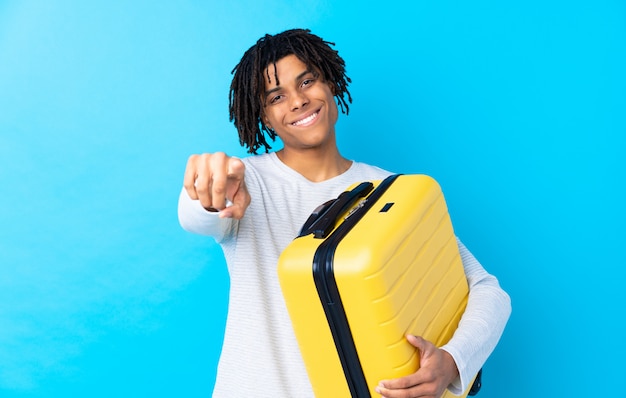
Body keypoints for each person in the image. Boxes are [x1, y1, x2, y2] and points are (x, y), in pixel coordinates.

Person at [178, 28, 511, 398]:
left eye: (307, 81)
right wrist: (209, 192)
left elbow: (487, 291)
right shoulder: (247, 182)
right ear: (265, 118)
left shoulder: (390, 192)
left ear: (331, 83)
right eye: (277, 97)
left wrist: (453, 361)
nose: (298, 101)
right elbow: (197, 216)